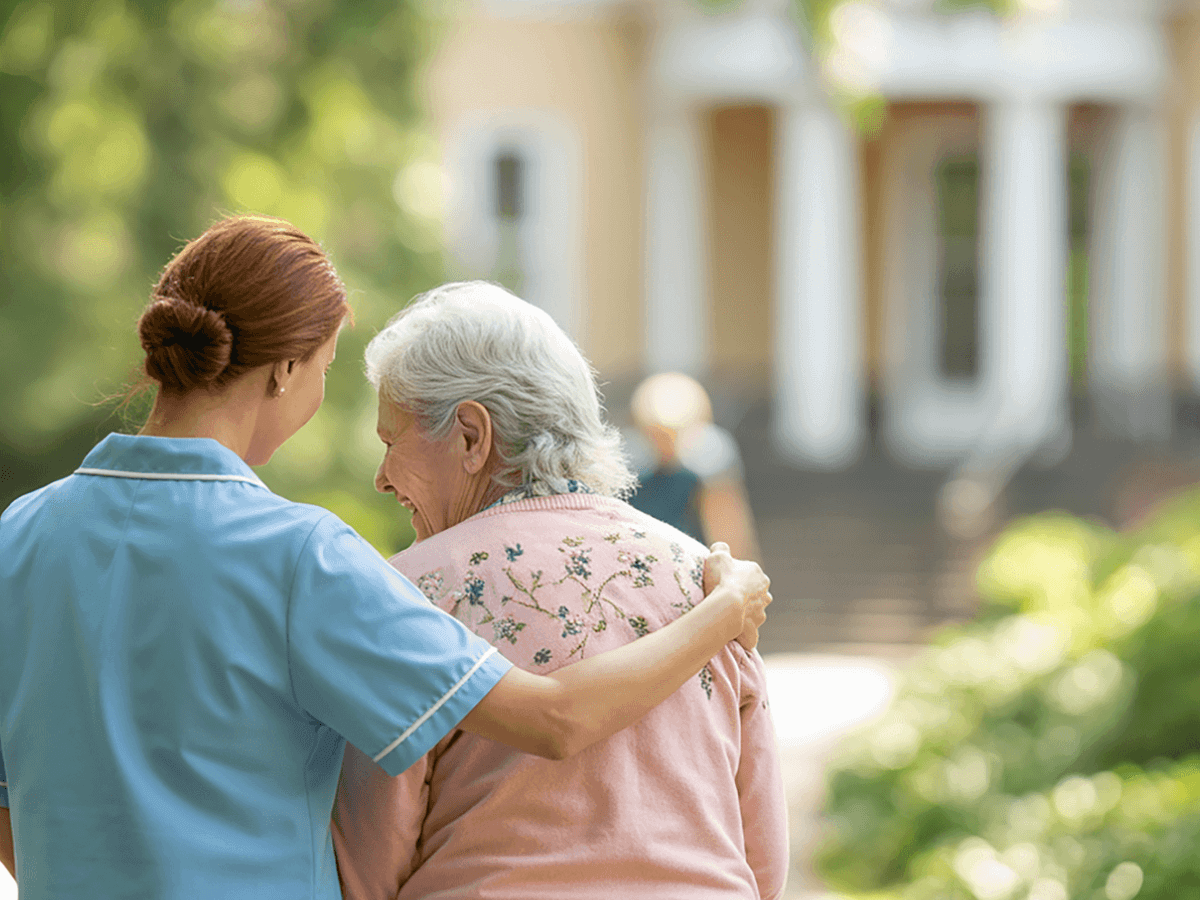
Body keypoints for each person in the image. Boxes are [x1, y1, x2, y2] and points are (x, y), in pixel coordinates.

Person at [0, 217, 771, 900]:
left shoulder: (17, 536)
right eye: (328, 367)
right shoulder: (303, 556)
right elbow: (558, 717)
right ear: (284, 370)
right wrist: (723, 613)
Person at [333, 281, 788, 900]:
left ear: (471, 435)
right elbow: (762, 855)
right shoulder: (710, 584)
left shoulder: (411, 592)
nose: (383, 478)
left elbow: (367, 861)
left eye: (391, 442)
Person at [626, 372, 762, 562]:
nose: (663, 442)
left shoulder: (709, 464)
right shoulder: (632, 463)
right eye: (656, 434)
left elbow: (729, 535)